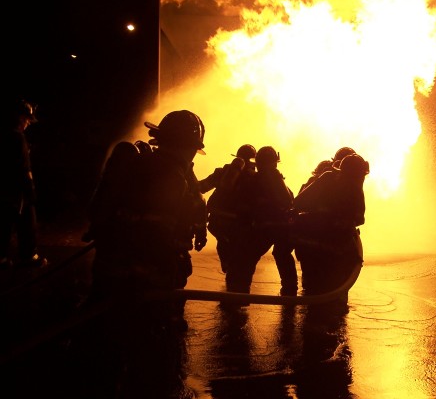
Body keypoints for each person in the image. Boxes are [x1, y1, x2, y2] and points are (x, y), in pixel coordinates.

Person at [85, 109, 209, 326]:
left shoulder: (148, 164)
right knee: (145, 335)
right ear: (186, 146)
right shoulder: (170, 175)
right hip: (143, 278)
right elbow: (156, 232)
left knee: (99, 325)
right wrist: (163, 281)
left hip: (114, 266)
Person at [292, 153, 369, 306]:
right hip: (333, 249)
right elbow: (360, 217)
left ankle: (313, 317)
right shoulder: (354, 187)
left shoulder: (327, 177)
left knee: (312, 289)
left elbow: (299, 201)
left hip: (308, 242)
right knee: (334, 291)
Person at [227, 146, 295, 295]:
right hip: (283, 228)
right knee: (283, 255)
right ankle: (290, 291)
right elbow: (290, 201)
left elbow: (243, 204)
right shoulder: (280, 181)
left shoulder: (254, 180)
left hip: (264, 228)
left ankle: (240, 291)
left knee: (248, 256)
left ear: (258, 162)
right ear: (275, 163)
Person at [0, 99, 46, 268]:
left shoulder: (3, 135)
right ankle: (28, 256)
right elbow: (23, 168)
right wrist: (30, 191)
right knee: (27, 222)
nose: (28, 123)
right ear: (19, 118)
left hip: (5, 190)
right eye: (27, 119)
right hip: (16, 192)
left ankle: (2, 259)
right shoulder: (18, 138)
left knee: (3, 223)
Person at [205, 144, 257, 275]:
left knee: (224, 245)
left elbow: (201, 187)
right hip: (240, 225)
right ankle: (236, 283)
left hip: (217, 223)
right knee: (240, 261)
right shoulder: (256, 178)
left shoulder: (222, 172)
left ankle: (228, 269)